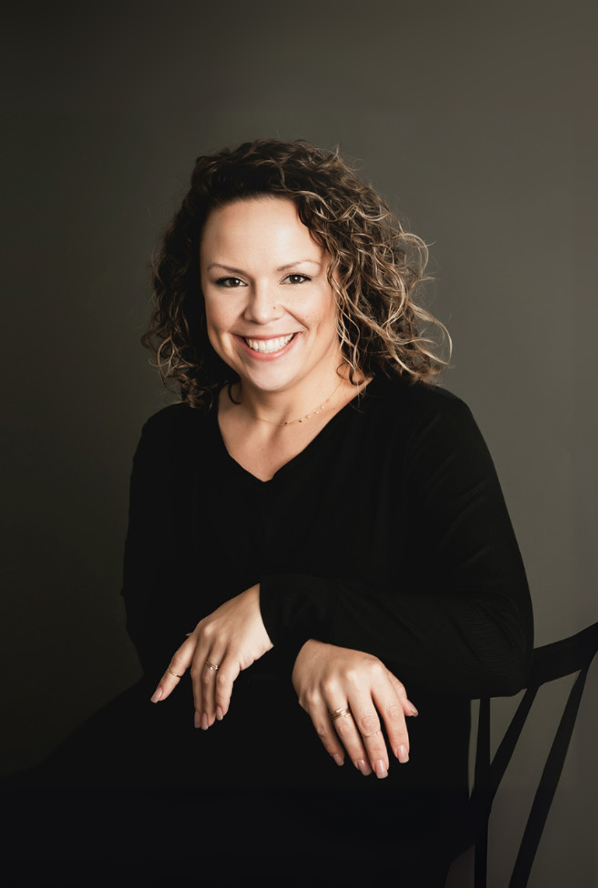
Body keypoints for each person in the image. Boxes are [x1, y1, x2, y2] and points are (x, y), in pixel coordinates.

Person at [2, 138, 533, 887]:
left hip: (365, 797)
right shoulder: (172, 443)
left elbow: (500, 645)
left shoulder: (420, 428)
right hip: (191, 764)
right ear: (197, 289)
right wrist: (307, 656)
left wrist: (284, 607)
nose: (261, 312)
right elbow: (165, 644)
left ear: (340, 280)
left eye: (293, 276)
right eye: (230, 281)